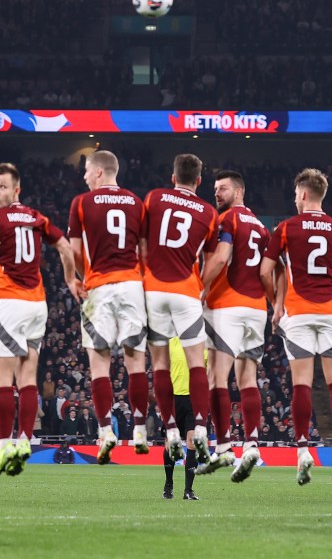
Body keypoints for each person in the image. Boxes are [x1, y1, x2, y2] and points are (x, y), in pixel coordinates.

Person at [0, 163, 83, 477]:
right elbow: (64, 246)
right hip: (38, 304)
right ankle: (25, 439)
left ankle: (4, 445)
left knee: (2, 378)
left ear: (16, 189)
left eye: (2, 187)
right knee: (29, 376)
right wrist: (71, 280)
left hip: (9, 302)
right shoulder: (37, 217)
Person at [260, 168, 332, 486]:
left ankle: (303, 452)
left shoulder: (286, 228)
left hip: (298, 313)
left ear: (303, 194)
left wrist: (277, 307)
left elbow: (265, 271)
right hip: (330, 313)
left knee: (301, 383)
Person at [67, 150, 150, 463]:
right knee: (135, 364)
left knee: (99, 366)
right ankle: (140, 429)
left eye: (87, 171)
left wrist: (84, 277)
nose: (85, 177)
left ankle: (106, 432)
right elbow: (145, 252)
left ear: (99, 172)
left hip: (99, 287)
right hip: (132, 286)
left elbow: (74, 251)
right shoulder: (136, 202)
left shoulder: (82, 203)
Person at [195, 170, 274, 481]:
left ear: (238, 191)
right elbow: (269, 271)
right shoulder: (262, 228)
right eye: (215, 188)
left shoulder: (228, 220)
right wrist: (274, 305)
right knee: (248, 379)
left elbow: (221, 257)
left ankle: (225, 446)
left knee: (217, 377)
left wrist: (199, 288)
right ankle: (252, 444)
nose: (217, 193)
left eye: (223, 188)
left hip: (227, 306)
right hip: (257, 310)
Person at [143, 154, 219, 466]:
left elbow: (142, 240)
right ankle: (200, 426)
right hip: (187, 291)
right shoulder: (209, 212)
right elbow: (215, 258)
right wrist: (201, 285)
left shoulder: (155, 198)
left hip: (154, 288)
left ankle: (171, 427)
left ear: (173, 177)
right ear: (199, 181)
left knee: (159, 362)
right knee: (195, 363)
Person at [163, 337, 204, 500]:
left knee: (192, 442)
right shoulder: (171, 343)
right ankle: (168, 484)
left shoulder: (204, 344)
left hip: (194, 399)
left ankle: (188, 490)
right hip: (173, 399)